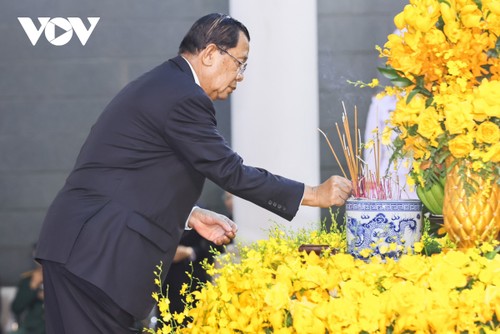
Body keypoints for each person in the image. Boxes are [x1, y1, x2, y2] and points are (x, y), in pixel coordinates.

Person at [35, 13, 352, 333]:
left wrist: (191, 214)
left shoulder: (165, 84)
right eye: (240, 62)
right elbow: (229, 171)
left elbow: (131, 173)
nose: (241, 76)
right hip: (97, 254)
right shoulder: (184, 96)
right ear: (211, 53)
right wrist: (313, 194)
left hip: (85, 249)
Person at [11, 245, 45, 334]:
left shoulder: (60, 280)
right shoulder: (29, 279)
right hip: (31, 328)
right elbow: (16, 308)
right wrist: (33, 286)